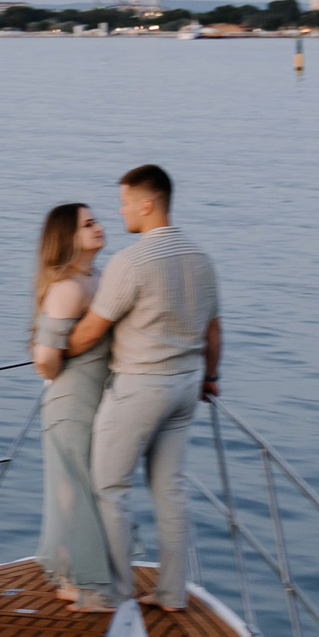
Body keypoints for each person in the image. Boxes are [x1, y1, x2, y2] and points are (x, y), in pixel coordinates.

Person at [66, 164, 220, 611]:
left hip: (140, 387)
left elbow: (93, 329)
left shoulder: (131, 262)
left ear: (147, 204)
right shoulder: (201, 258)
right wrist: (211, 377)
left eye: (126, 201)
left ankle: (113, 592)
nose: (121, 210)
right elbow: (214, 331)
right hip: (187, 386)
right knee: (169, 489)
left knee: (110, 487)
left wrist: (53, 349)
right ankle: (172, 593)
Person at [29, 203, 112, 604]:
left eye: (96, 220)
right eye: (87, 224)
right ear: (67, 238)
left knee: (89, 489)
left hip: (97, 401)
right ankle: (74, 581)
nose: (98, 227)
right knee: (72, 492)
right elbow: (45, 357)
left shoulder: (97, 277)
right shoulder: (67, 288)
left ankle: (82, 576)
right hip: (71, 402)